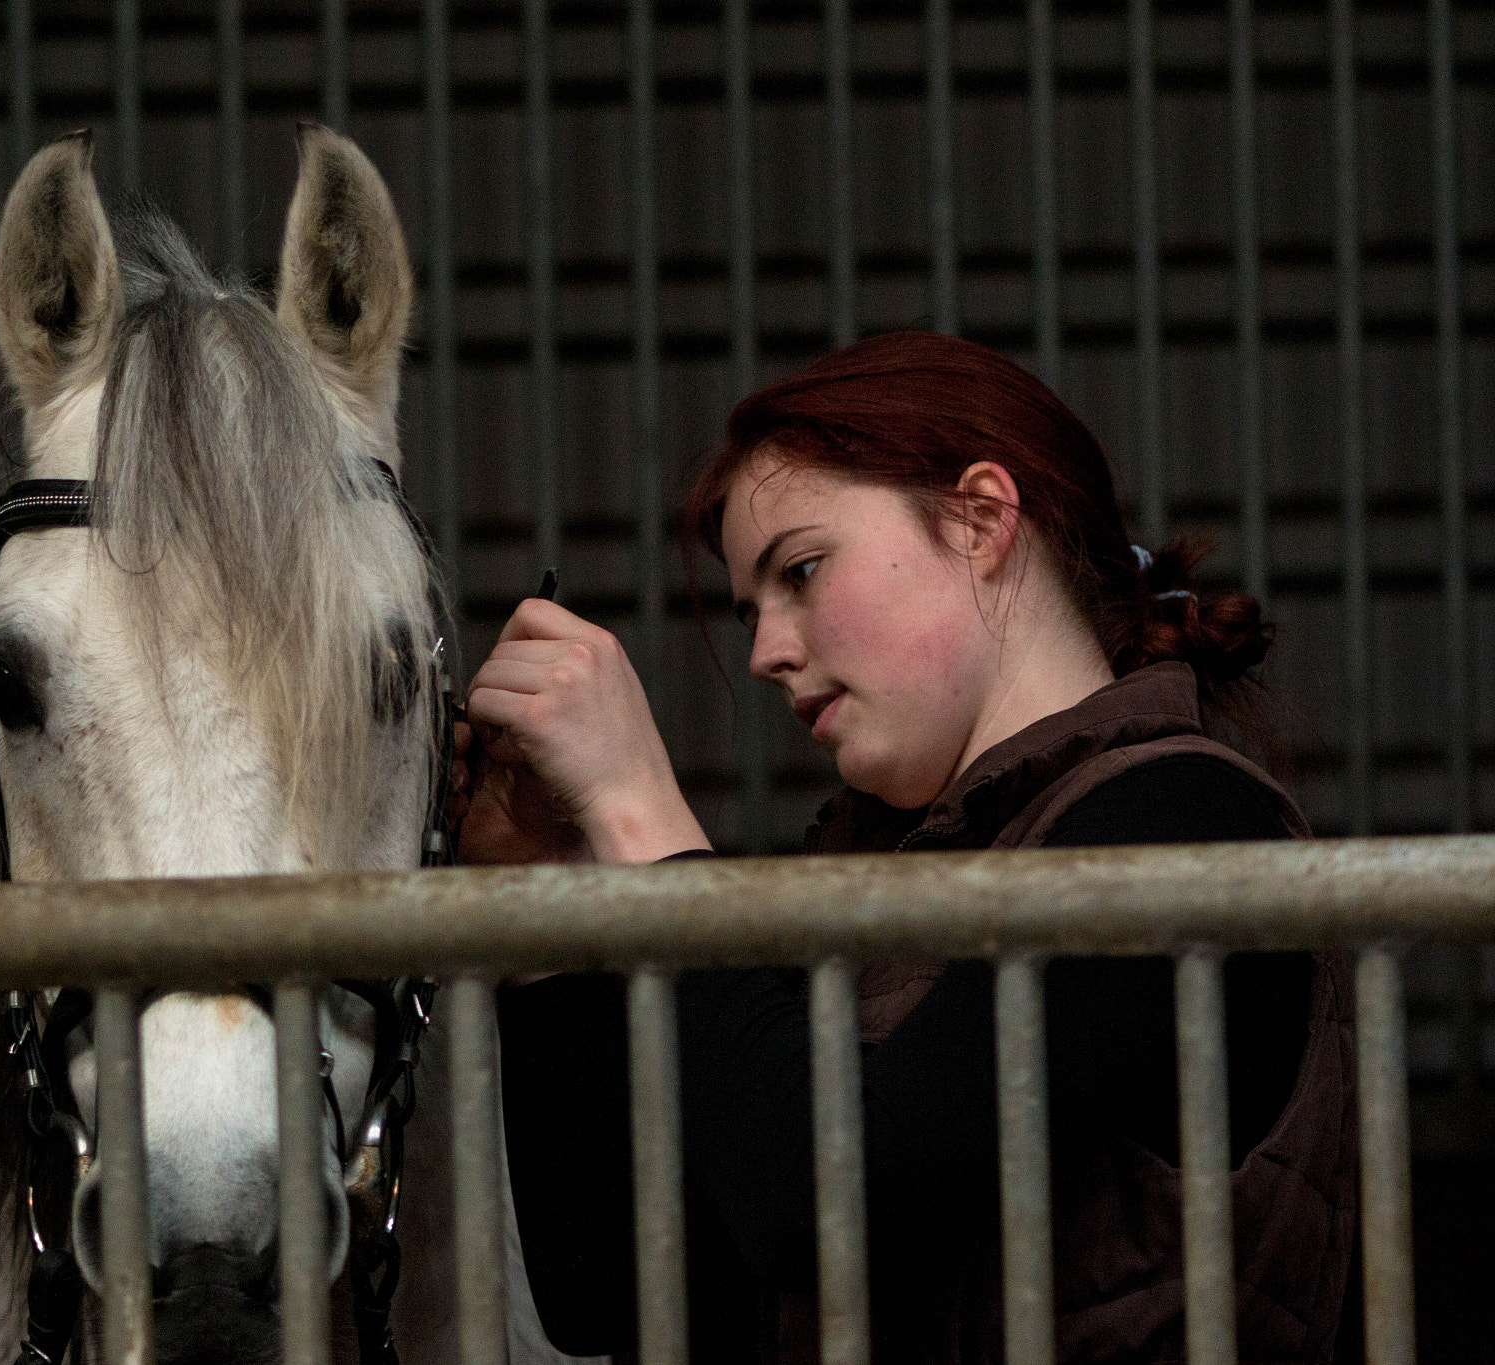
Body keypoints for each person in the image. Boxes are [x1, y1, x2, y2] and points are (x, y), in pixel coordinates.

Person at [457, 333, 1355, 1365]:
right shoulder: (868, 883)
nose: (765, 653)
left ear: (979, 520)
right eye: (753, 609)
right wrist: (542, 912)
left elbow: (824, 1199)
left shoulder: (1180, 817)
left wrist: (633, 807)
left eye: (800, 570)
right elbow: (616, 1294)